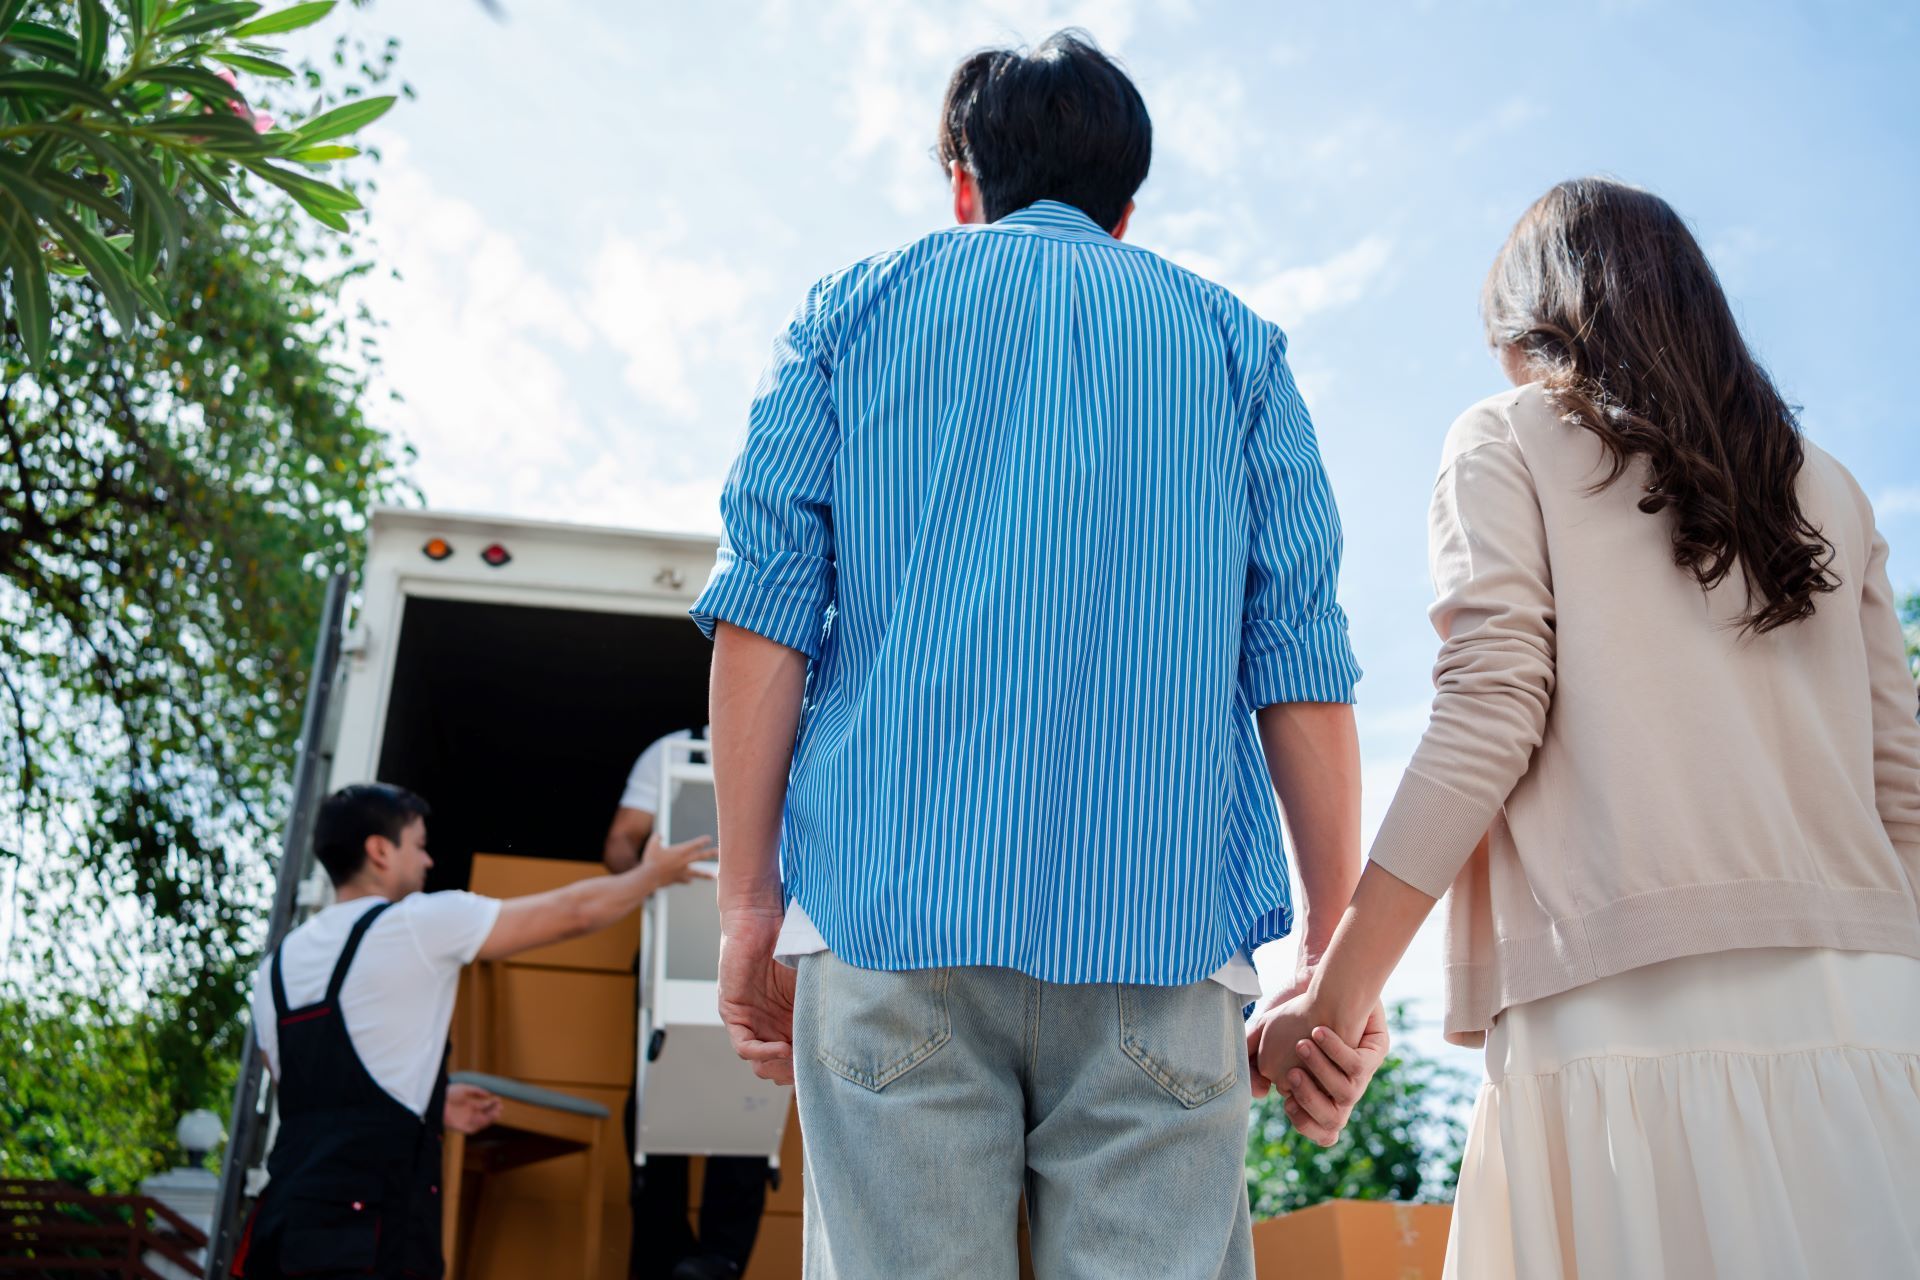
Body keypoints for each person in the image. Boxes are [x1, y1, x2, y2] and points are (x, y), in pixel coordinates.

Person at [692, 30, 1386, 1280]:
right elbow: (1299, 659)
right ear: (1127, 207)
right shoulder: (1236, 349)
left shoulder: (857, 308)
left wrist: (749, 904)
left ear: (964, 182)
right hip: (1162, 939)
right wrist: (1332, 955)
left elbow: (767, 617)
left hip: (891, 917)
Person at [1251, 178, 1920, 1279]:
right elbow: (1901, 788)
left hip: (1620, 1020)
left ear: (1533, 322)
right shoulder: (1831, 489)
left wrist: (1334, 1000)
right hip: (1874, 1028)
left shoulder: (1504, 438)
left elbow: (1488, 711)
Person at [236, 782, 711, 1280]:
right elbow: (571, 914)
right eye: (418, 846)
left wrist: (432, 1101)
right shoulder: (417, 922)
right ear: (379, 851)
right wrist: (651, 875)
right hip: (370, 1226)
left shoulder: (276, 967)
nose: (428, 863)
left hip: (284, 1220)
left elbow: (315, 1093)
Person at [605, 727, 769, 1280]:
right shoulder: (674, 753)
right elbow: (620, 845)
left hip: (761, 952)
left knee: (752, 1095)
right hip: (673, 949)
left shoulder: (794, 741)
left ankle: (720, 1261)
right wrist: (650, 874)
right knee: (658, 1100)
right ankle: (662, 1258)